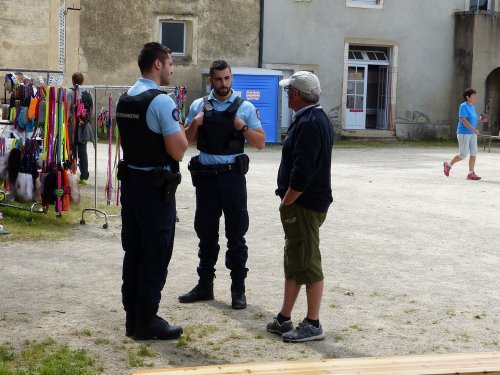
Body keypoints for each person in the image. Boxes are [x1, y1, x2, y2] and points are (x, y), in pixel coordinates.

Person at [178, 60, 265, 310]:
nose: (223, 84)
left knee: (236, 235)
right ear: (211, 81)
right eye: (218, 79)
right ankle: (205, 285)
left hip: (232, 177)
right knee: (206, 233)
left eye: (227, 79)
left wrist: (243, 126)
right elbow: (184, 141)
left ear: (232, 78)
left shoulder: (245, 107)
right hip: (205, 178)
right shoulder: (198, 105)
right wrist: (195, 123)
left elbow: (260, 142)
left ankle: (238, 289)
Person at [116, 42, 188, 340]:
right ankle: (147, 319)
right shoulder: (160, 101)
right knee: (156, 252)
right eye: (170, 63)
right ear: (157, 65)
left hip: (131, 183)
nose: (172, 68)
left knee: (133, 251)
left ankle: (133, 317)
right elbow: (178, 150)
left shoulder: (124, 98)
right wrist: (184, 130)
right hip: (154, 189)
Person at [266, 71, 333, 342]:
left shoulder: (308, 123)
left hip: (303, 204)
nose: (285, 95)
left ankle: (313, 323)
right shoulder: (314, 118)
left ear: (296, 94)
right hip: (304, 202)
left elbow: (303, 172)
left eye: (287, 91)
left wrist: (287, 201)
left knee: (307, 262)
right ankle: (284, 317)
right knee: (294, 259)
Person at [443, 88, 488, 180]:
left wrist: (480, 119)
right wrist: (473, 129)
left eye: (475, 95)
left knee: (474, 152)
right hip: (464, 133)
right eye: (473, 95)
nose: (475, 97)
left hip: (472, 133)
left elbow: (472, 118)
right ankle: (448, 165)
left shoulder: (472, 106)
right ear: (467, 97)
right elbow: (463, 120)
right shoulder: (463, 106)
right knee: (463, 154)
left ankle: (470, 173)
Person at [67, 72, 94, 184]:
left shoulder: (69, 92)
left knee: (71, 150)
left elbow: (67, 110)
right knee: (83, 151)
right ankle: (84, 176)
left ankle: (72, 173)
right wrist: (86, 120)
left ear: (73, 81)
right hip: (84, 126)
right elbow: (91, 111)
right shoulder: (88, 93)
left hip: (73, 126)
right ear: (82, 81)